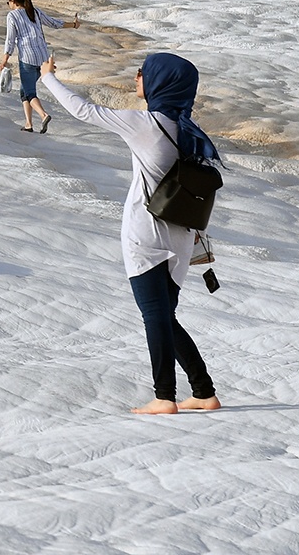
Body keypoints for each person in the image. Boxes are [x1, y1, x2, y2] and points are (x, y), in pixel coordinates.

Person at [40, 52, 222, 415]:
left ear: (161, 83)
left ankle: (164, 396)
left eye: (143, 73)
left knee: (154, 314)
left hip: (147, 232)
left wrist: (48, 77)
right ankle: (203, 391)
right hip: (183, 238)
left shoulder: (147, 125)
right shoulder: (189, 131)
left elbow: (84, 111)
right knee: (164, 315)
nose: (137, 78)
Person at [0, 0, 81, 133]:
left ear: (13, 1)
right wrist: (73, 25)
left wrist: (5, 59)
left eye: (8, 2)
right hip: (43, 59)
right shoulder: (35, 11)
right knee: (24, 90)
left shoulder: (12, 16)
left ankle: (43, 115)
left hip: (27, 58)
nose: (9, 5)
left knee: (30, 93)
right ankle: (28, 124)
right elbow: (53, 23)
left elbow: (10, 40)